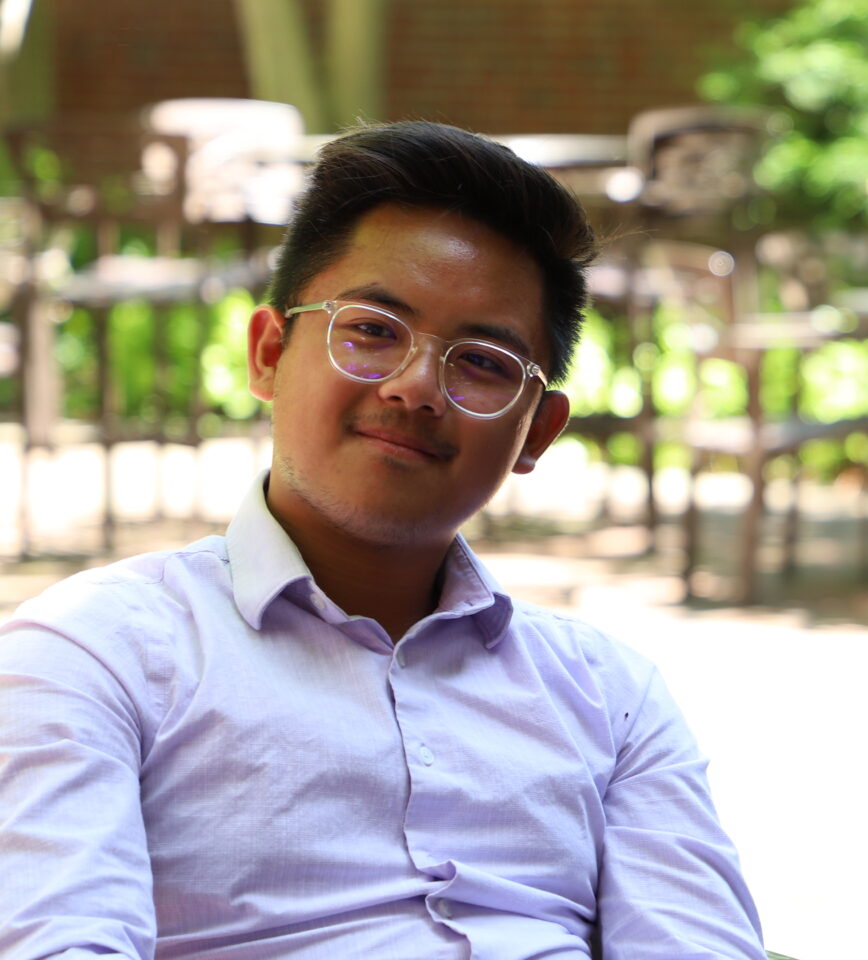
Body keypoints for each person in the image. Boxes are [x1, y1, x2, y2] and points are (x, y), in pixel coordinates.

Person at [0, 121, 763, 959]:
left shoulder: (610, 699)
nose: (414, 388)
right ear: (268, 352)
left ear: (537, 432)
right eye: (370, 330)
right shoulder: (93, 656)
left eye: (482, 363)